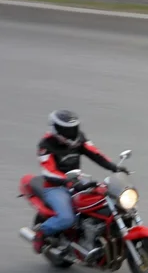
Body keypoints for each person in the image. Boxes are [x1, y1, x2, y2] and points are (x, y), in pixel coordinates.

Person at [31, 109, 129, 254]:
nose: (71, 132)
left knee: (109, 199)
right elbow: (48, 171)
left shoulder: (79, 139)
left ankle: (100, 235)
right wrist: (68, 182)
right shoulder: (46, 145)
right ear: (56, 129)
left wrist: (114, 167)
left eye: (72, 128)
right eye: (66, 129)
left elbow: (95, 154)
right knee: (66, 218)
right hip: (55, 187)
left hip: (77, 180)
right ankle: (41, 233)